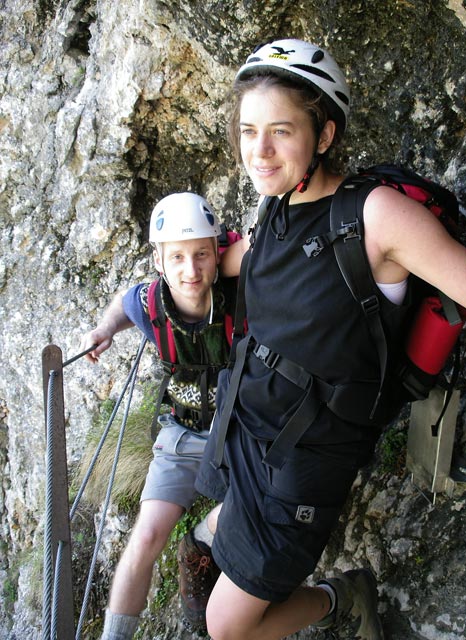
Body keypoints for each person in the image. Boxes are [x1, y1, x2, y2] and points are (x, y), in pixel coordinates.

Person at [176, 39, 466, 640]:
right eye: (247, 130)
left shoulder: (376, 217)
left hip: (305, 457)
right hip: (246, 425)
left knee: (224, 630)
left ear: (325, 134)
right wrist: (177, 279)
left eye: (281, 131)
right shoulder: (280, 204)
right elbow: (256, 259)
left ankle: (343, 597)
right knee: (205, 546)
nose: (258, 152)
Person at [81, 192, 238, 639]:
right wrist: (104, 330)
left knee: (259, 502)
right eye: (178, 258)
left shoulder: (241, 295)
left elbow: (267, 251)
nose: (191, 271)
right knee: (144, 540)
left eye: (202, 255)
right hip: (182, 431)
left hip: (240, 434)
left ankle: (203, 538)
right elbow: (123, 303)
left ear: (218, 252)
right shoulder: (151, 305)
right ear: (160, 260)